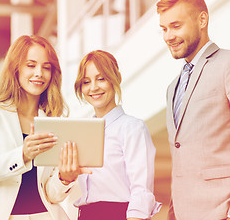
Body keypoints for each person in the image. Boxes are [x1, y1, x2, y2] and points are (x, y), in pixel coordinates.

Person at [0, 35, 76, 220]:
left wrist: (65, 178)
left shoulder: (54, 121)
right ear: (16, 68)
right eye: (31, 65)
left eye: (46, 67)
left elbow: (51, 194)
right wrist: (23, 154)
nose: (39, 73)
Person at [49, 50, 161, 220]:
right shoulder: (80, 133)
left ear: (116, 78)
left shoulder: (132, 128)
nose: (93, 87)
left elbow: (141, 190)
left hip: (120, 215)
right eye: (86, 82)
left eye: (101, 79)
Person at [157, 0, 230, 220]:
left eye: (176, 26)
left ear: (202, 20)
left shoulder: (227, 65)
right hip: (180, 212)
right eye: (164, 29)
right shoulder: (172, 88)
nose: (168, 36)